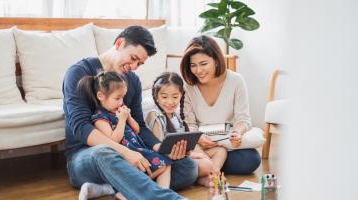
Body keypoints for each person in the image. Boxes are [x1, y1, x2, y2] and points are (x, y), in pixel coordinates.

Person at [62, 26, 197, 200]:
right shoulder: (78, 72)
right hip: (87, 158)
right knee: (104, 153)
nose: (134, 66)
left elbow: (139, 125)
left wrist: (162, 149)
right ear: (119, 43)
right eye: (133, 58)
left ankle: (110, 189)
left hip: (128, 154)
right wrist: (126, 153)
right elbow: (81, 127)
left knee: (188, 167)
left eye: (139, 63)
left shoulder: (132, 80)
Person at [180, 35, 262, 175]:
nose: (198, 71)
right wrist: (198, 137)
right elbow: (188, 122)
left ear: (216, 61)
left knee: (251, 159)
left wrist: (237, 133)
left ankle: (205, 167)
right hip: (201, 144)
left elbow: (243, 119)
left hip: (227, 141)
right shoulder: (188, 87)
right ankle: (210, 165)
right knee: (186, 153)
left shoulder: (236, 80)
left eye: (203, 64)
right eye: (193, 65)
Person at [77, 71, 172, 189]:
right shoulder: (100, 118)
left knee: (166, 164)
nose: (121, 102)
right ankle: (128, 191)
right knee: (162, 165)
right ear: (101, 96)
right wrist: (122, 120)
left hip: (139, 149)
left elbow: (137, 130)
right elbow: (113, 140)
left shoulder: (120, 110)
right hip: (125, 154)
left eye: (122, 97)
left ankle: (162, 192)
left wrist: (129, 117)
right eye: (117, 98)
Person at [145, 72, 218, 186]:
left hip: (179, 157)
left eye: (175, 97)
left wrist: (193, 153)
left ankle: (205, 177)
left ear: (181, 96)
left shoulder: (176, 117)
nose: (170, 102)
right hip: (165, 162)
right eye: (164, 97)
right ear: (156, 96)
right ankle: (199, 177)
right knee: (202, 165)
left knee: (215, 155)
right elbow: (160, 149)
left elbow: (184, 143)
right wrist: (192, 155)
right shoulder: (154, 115)